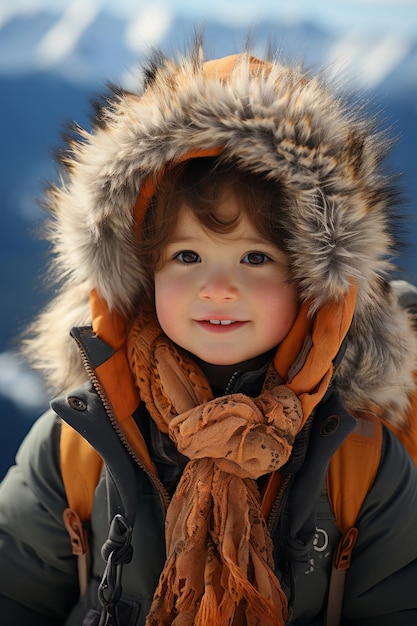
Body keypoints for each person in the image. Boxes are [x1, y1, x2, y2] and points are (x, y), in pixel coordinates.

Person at [0, 43, 417, 626]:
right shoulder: (78, 443)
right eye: (188, 254)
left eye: (254, 257)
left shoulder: (356, 457)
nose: (217, 288)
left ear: (313, 286)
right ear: (144, 275)